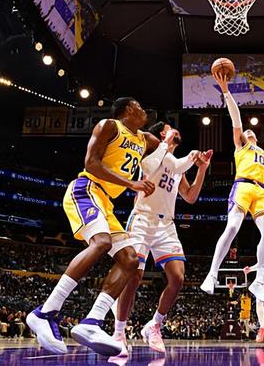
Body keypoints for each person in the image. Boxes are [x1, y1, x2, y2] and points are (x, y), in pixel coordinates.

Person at [27, 97, 171, 356]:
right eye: (140, 107)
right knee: (101, 242)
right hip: (87, 189)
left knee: (130, 260)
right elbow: (91, 164)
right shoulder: (110, 126)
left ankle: (92, 322)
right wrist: (132, 184)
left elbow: (162, 146)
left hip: (106, 203)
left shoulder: (144, 139)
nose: (144, 111)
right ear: (128, 109)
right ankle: (44, 313)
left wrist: (169, 137)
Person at [201, 70, 264, 303]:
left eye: (250, 131)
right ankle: (212, 274)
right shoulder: (242, 146)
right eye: (245, 131)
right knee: (232, 227)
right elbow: (236, 118)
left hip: (262, 192)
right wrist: (226, 91)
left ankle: (259, 282)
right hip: (243, 187)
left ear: (256, 136)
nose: (246, 131)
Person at [112, 122, 212, 356]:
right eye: (170, 129)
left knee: (177, 277)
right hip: (142, 218)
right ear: (161, 134)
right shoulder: (151, 153)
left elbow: (190, 197)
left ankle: (154, 325)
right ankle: (119, 331)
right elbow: (159, 164)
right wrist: (173, 147)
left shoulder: (177, 166)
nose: (176, 130)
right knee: (134, 276)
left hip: (166, 224)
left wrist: (202, 168)